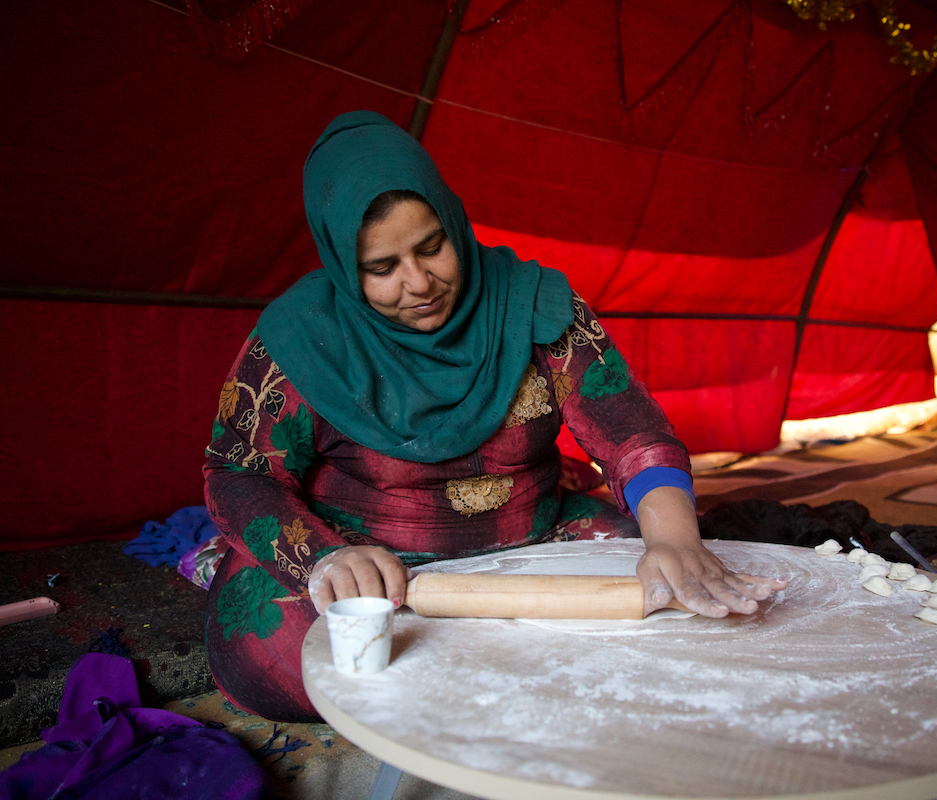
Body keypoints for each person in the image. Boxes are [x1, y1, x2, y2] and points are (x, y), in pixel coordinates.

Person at [202, 110, 786, 722]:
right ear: (345, 268)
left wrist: (673, 539)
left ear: (454, 221)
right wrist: (325, 558)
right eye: (382, 268)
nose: (419, 282)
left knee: (672, 594)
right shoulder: (300, 338)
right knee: (272, 650)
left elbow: (631, 433)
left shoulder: (532, 304)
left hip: (534, 535)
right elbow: (238, 474)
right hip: (369, 561)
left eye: (433, 247)